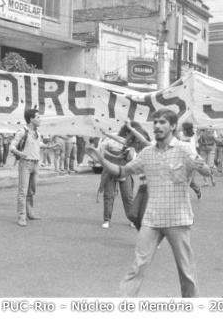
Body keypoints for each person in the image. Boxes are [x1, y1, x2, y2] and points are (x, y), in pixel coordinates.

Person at [87, 108, 211, 297]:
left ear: (173, 126)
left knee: (186, 271)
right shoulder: (147, 153)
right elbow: (122, 171)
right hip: (151, 220)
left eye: (162, 122)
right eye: (155, 122)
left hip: (177, 220)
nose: (157, 126)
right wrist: (102, 160)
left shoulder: (185, 149)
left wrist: (203, 168)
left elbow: (206, 171)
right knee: (137, 267)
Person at [10, 109, 42, 227]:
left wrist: (50, 146)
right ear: (31, 119)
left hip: (36, 163)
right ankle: (21, 216)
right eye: (37, 117)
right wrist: (19, 153)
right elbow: (12, 146)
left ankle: (30, 213)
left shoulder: (37, 132)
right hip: (25, 164)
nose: (40, 119)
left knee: (31, 190)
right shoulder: (22, 131)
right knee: (23, 191)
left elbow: (38, 144)